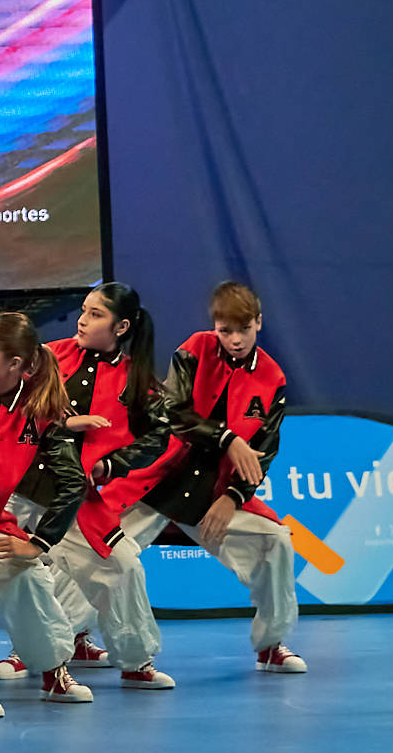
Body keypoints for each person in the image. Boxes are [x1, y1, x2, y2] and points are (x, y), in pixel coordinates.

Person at [115, 282, 305, 674]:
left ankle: (271, 645)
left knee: (277, 543)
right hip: (159, 482)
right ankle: (56, 648)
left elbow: (263, 452)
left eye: (244, 329)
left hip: (214, 495)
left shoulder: (273, 379)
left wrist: (233, 497)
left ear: (259, 323)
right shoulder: (194, 349)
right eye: (225, 330)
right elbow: (173, 413)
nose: (235, 340)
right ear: (214, 327)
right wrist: (227, 438)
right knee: (98, 552)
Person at [0, 313, 94, 704]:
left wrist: (38, 543)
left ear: (15, 365)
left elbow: (73, 482)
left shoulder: (41, 412)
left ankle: (53, 670)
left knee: (27, 576)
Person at [43, 284, 175, 691]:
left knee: (124, 566)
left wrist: (112, 464)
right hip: (23, 490)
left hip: (81, 500)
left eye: (95, 314)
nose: (82, 320)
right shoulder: (49, 358)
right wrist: (62, 425)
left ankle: (135, 661)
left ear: (121, 326)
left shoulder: (138, 382)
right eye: (83, 310)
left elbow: (158, 438)